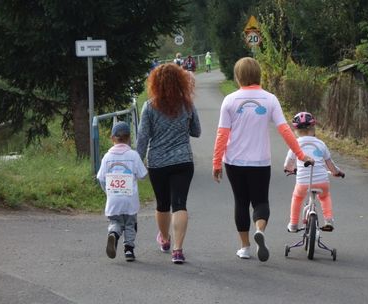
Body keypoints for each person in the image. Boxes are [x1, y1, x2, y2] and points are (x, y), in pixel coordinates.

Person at [212, 57, 313, 261]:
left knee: (241, 202)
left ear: (238, 76)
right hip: (260, 161)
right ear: (258, 75)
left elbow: (222, 134)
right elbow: (285, 130)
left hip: (234, 161)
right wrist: (301, 155)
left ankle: (245, 247)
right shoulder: (270, 99)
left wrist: (216, 163)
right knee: (260, 201)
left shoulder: (229, 100)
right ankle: (260, 230)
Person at [137, 63, 201, 264]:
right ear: (180, 81)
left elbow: (142, 139)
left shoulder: (149, 106)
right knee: (179, 204)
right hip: (183, 161)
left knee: (162, 204)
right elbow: (196, 131)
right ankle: (178, 249)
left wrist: (136, 165)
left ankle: (164, 239)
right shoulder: (187, 104)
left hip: (158, 163)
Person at [283, 112, 344, 233]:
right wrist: (338, 172)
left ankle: (294, 224)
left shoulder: (295, 145)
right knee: (325, 196)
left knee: (297, 197)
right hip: (322, 181)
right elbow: (330, 165)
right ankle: (328, 220)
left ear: (295, 130)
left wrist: (290, 169)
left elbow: (288, 165)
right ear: (313, 128)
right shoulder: (321, 144)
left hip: (303, 183)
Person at [97, 121, 148, 262]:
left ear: (112, 138)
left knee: (116, 222)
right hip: (130, 199)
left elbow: (101, 178)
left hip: (114, 199)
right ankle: (129, 250)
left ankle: (113, 233)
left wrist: (108, 192)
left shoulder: (106, 157)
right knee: (131, 224)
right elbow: (143, 175)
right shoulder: (133, 155)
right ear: (129, 138)